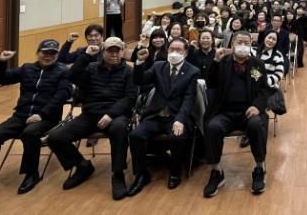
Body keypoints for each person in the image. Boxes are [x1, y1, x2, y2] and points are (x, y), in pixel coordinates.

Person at [47, 37, 136, 200]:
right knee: (55, 137)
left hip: (116, 115)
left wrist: (110, 114)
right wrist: (85, 56)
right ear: (103, 52)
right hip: (90, 114)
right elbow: (73, 77)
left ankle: (118, 174)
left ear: (123, 52)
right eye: (110, 51)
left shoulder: (129, 71)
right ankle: (82, 166)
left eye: (117, 51)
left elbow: (130, 98)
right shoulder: (91, 67)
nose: (114, 54)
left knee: (119, 129)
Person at [0, 40, 71, 194]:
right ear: (38, 53)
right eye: (45, 52)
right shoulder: (27, 68)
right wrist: (1, 62)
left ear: (57, 55)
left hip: (47, 118)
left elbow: (62, 95)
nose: (48, 56)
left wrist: (42, 114)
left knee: (29, 133)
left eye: (53, 53)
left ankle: (31, 174)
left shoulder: (63, 72)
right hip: (21, 115)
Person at [203, 31, 272, 197]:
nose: (242, 45)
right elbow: (210, 83)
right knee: (213, 127)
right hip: (224, 112)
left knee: (256, 125)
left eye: (246, 43)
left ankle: (259, 167)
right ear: (232, 44)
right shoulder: (222, 62)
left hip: (248, 112)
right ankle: (216, 171)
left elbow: (264, 90)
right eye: (239, 42)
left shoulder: (257, 64)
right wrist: (215, 61)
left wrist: (257, 106)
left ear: (251, 45)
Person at [128, 38, 200, 195]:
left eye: (179, 50)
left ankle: (175, 172)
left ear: (185, 53)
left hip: (176, 116)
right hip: (156, 115)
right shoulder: (158, 66)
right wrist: (139, 62)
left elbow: (189, 98)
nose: (174, 53)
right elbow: (139, 80)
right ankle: (142, 174)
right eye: (172, 49)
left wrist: (180, 119)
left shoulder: (192, 71)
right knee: (135, 135)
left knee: (177, 137)